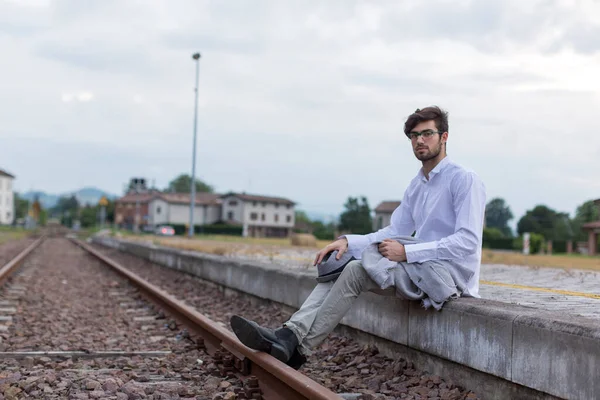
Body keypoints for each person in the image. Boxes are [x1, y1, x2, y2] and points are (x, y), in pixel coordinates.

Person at [230, 106, 487, 370]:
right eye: (413, 135)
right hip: (420, 266)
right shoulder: (417, 185)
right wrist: (348, 242)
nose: (420, 140)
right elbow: (394, 231)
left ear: (444, 137)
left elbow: (466, 242)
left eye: (427, 133)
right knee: (342, 261)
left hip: (449, 275)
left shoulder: (464, 180)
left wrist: (407, 253)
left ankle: (299, 349)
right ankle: (288, 335)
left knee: (355, 270)